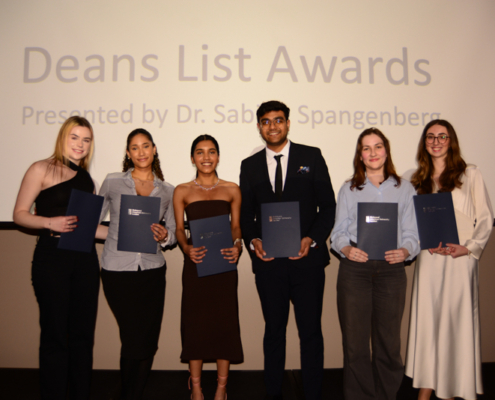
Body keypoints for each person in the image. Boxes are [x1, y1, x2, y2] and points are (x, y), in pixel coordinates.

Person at [240, 100, 336, 400]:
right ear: (259, 127)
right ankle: (273, 394)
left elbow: (328, 207)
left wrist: (312, 239)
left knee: (310, 334)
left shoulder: (311, 156)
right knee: (273, 334)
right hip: (269, 264)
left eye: (278, 120)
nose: (273, 126)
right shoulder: (249, 165)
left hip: (307, 262)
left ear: (288, 123)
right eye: (266, 121)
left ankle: (313, 394)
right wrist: (253, 240)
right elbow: (245, 215)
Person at [13, 116, 105, 400]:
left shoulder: (90, 180)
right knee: (54, 336)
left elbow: (90, 229)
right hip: (51, 259)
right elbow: (19, 214)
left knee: (82, 337)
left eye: (86, 140)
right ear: (63, 138)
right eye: (74, 137)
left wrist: (134, 234)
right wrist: (49, 223)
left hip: (85, 260)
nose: (80, 144)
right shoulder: (40, 168)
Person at [405, 120, 493, 400]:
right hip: (430, 259)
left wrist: (468, 249)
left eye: (442, 136)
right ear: (424, 142)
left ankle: (455, 389)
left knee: (456, 325)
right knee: (429, 326)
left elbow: (486, 218)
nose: (436, 141)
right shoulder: (416, 179)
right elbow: (411, 224)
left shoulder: (470, 174)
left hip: (460, 258)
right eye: (430, 136)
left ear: (451, 140)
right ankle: (426, 391)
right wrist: (423, 243)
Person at [331, 127, 420, 400]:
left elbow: (412, 233)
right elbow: (338, 234)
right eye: (366, 148)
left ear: (386, 150)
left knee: (389, 344)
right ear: (360, 155)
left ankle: (387, 396)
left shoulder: (405, 188)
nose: (372, 153)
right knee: (355, 346)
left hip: (392, 272)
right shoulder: (349, 189)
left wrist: (406, 251)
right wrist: (346, 248)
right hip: (355, 270)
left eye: (378, 146)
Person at [98, 128, 176, 400]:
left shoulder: (168, 190)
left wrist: (166, 236)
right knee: (133, 338)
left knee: (148, 340)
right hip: (117, 270)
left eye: (146, 146)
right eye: (134, 147)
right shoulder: (112, 182)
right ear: (128, 153)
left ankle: (132, 393)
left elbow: (174, 233)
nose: (141, 152)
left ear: (154, 150)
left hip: (153, 271)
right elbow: (93, 221)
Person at [173, 134, 243, 400]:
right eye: (200, 152)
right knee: (195, 325)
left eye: (211, 152)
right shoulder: (182, 190)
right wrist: (186, 249)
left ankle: (222, 388)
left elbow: (236, 227)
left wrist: (237, 244)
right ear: (192, 158)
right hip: (196, 263)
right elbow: (180, 230)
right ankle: (197, 387)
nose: (206, 157)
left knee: (225, 323)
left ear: (218, 156)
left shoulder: (232, 189)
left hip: (225, 263)